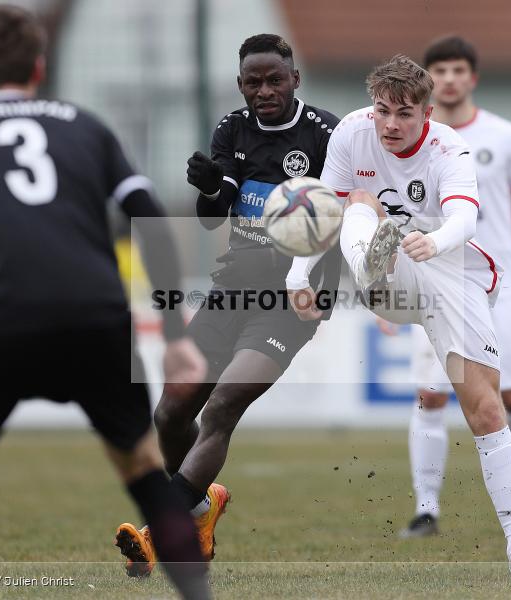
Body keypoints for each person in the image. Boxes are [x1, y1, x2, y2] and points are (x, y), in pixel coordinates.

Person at [0, 5, 210, 599]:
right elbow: (148, 216)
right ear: (40, 67)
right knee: (145, 468)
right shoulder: (86, 125)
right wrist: (176, 337)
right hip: (96, 317)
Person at [287, 55, 511, 582]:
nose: (390, 124)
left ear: (427, 112)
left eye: (404, 113)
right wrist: (298, 277)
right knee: (357, 202)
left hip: (451, 271)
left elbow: (466, 216)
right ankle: (373, 265)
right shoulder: (351, 134)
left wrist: (435, 240)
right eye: (382, 110)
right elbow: (328, 210)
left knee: (486, 411)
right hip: (390, 277)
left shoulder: (449, 145)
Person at [114, 34, 341, 574]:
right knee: (171, 411)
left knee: (221, 408)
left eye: (274, 80)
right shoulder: (231, 129)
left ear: (295, 79)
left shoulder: (327, 134)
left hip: (292, 298)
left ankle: (163, 532)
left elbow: (348, 214)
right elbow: (213, 216)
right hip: (232, 288)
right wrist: (212, 187)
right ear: (241, 85)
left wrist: (322, 284)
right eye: (252, 82)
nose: (263, 91)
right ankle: (201, 509)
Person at [388, 36, 511, 539]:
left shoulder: (505, 137)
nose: (448, 79)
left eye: (458, 69)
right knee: (430, 394)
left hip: (499, 286)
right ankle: (426, 510)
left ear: (473, 77)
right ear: (426, 80)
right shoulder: (408, 140)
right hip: (433, 284)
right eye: (439, 70)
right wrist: (387, 285)